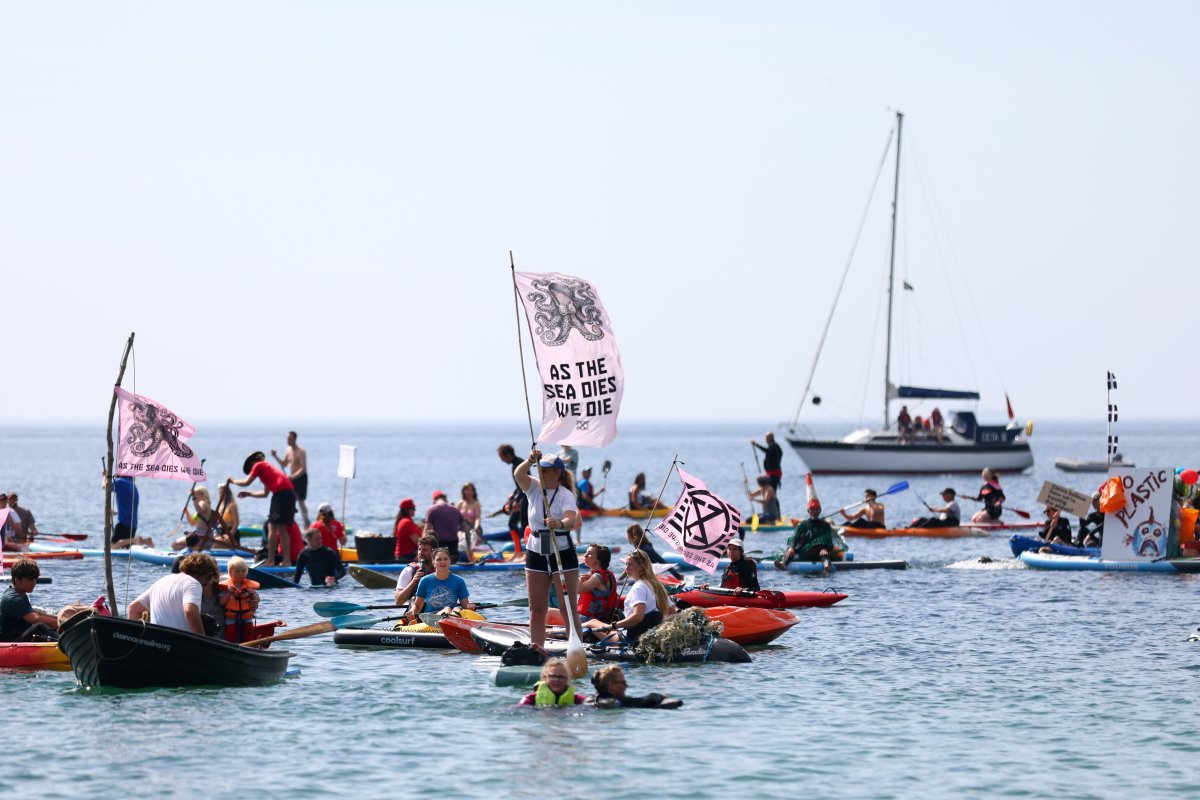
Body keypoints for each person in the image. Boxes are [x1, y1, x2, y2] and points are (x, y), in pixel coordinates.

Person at [515, 449, 581, 652]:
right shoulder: (533, 487)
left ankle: (576, 648)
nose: (541, 473)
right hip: (536, 552)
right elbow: (518, 474)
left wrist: (559, 523)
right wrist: (529, 460)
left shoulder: (565, 495)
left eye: (545, 470)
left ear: (557, 473)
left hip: (562, 552)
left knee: (567, 607)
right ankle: (537, 649)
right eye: (540, 469)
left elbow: (571, 520)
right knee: (537, 608)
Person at [583, 549, 673, 646]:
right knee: (594, 623)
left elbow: (638, 617)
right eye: (626, 564)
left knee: (592, 622)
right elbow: (672, 612)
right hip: (650, 635)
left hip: (627, 639)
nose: (626, 568)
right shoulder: (657, 585)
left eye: (630, 565)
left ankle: (566, 632)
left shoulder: (638, 588)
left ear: (642, 566)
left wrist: (613, 626)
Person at [228, 450, 298, 566]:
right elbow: (265, 494)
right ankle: (287, 561)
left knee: (272, 527)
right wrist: (248, 494)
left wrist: (233, 480)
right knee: (282, 529)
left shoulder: (258, 465)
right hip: (290, 493)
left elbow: (246, 482)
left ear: (252, 464)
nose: (252, 471)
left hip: (280, 494)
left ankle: (270, 560)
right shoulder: (268, 468)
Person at [128, 552, 220, 634]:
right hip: (180, 645)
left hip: (156, 642)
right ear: (203, 573)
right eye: (208, 578)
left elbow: (133, 609)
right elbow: (190, 611)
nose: (207, 583)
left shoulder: (160, 582)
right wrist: (202, 642)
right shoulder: (193, 584)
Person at [405, 547, 474, 622]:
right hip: (429, 620)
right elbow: (418, 606)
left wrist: (470, 608)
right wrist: (412, 611)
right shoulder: (425, 581)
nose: (443, 562)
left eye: (445, 559)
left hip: (452, 618)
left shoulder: (459, 581)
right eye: (439, 559)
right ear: (433, 563)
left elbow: (465, 606)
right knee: (448, 609)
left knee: (456, 609)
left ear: (450, 561)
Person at [0, 558, 59, 641]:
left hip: (18, 636)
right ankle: (65, 644)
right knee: (40, 627)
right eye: (30, 579)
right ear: (17, 580)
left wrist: (59, 618)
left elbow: (34, 613)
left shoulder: (19, 594)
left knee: (50, 626)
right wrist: (62, 623)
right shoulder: (13, 598)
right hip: (9, 643)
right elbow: (35, 619)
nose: (34, 583)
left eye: (35, 579)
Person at [778, 497, 840, 567]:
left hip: (820, 552)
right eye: (812, 510)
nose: (815, 512)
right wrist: (791, 547)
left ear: (820, 511)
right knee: (790, 552)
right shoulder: (802, 525)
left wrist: (826, 549)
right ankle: (783, 564)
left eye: (817, 510)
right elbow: (795, 538)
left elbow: (829, 542)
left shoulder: (825, 525)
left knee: (824, 554)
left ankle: (827, 567)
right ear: (808, 511)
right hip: (805, 551)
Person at [589, 665, 682, 709]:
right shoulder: (613, 702)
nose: (627, 686)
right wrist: (660, 696)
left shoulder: (591, 699)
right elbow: (643, 700)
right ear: (611, 685)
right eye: (623, 683)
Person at [218, 556, 261, 643]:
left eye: (243, 571)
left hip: (247, 619)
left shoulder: (249, 587)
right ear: (230, 573)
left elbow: (257, 600)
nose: (241, 574)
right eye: (237, 571)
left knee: (248, 636)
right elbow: (221, 602)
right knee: (231, 636)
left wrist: (252, 593)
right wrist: (228, 593)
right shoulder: (226, 588)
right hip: (231, 619)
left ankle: (249, 646)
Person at [271, 430, 310, 528]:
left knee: (301, 501)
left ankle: (306, 522)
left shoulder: (301, 451)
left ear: (294, 439)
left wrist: (292, 477)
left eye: (290, 439)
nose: (288, 440)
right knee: (291, 500)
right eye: (287, 438)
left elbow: (303, 468)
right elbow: (284, 464)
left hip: (300, 478)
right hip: (291, 479)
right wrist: (275, 456)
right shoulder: (288, 450)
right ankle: (290, 522)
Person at [106, 473, 152, 548]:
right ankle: (145, 541)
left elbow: (106, 486)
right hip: (133, 524)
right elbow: (129, 507)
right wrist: (116, 512)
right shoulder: (133, 486)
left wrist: (105, 476)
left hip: (123, 523)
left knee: (111, 546)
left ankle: (135, 540)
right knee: (126, 547)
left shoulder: (120, 482)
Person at [577, 543, 620, 623]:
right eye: (586, 552)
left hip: (588, 620)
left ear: (599, 559)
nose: (585, 555)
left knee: (551, 612)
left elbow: (578, 589)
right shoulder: (606, 574)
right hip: (598, 618)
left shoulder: (597, 577)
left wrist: (574, 570)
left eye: (590, 553)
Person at [519, 659, 588, 707]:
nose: (557, 680)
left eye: (561, 677)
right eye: (553, 676)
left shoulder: (577, 700)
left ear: (567, 680)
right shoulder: (530, 699)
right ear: (545, 677)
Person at [394, 534, 437, 606]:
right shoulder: (409, 571)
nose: (420, 553)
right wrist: (414, 581)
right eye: (419, 549)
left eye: (425, 550)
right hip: (415, 611)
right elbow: (398, 601)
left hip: (438, 611)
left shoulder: (441, 570)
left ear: (433, 552)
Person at [497, 443, 528, 543]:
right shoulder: (516, 463)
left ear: (507, 455)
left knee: (525, 525)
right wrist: (514, 493)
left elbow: (526, 484)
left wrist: (517, 501)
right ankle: (518, 550)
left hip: (526, 498)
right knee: (512, 524)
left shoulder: (518, 464)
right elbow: (520, 484)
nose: (501, 460)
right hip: (521, 496)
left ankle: (527, 551)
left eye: (501, 457)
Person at [424, 490, 466, 562]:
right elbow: (465, 528)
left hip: (439, 545)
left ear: (434, 500)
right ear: (445, 499)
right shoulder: (455, 510)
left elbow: (427, 529)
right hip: (453, 546)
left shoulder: (432, 509)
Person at [457, 483, 483, 553]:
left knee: (471, 537)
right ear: (463, 492)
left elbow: (478, 518)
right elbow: (455, 519)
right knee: (459, 536)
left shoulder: (476, 504)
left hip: (473, 528)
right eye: (467, 490)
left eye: (471, 490)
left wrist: (476, 526)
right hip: (462, 528)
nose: (470, 492)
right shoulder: (460, 503)